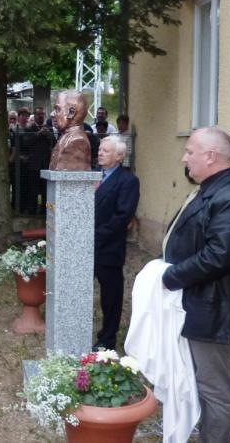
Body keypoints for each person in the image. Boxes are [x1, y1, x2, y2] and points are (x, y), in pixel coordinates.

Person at [161, 127, 230, 442]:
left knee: (214, 388)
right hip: (200, 302)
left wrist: (169, 277)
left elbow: (219, 256)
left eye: (189, 152)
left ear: (210, 156)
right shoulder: (212, 189)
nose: (184, 158)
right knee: (197, 380)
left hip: (217, 309)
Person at [92, 136, 140, 350]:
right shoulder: (93, 174)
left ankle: (107, 338)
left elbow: (122, 216)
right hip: (85, 246)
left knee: (110, 297)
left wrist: (95, 235)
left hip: (108, 247)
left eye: (106, 151)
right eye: (100, 149)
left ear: (119, 156)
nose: (100, 153)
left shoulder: (128, 181)